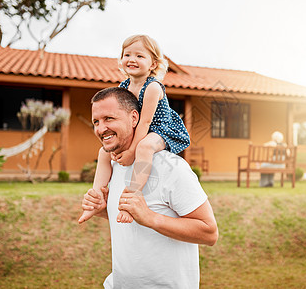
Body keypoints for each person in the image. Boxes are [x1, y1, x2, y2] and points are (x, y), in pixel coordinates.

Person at [81, 87, 218, 288]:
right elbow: (131, 219)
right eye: (96, 122)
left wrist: (151, 218)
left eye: (109, 118)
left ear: (134, 118)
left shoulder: (170, 167)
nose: (101, 129)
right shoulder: (113, 166)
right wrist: (104, 209)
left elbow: (209, 233)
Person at [78, 35, 190, 224]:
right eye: (127, 54)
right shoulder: (123, 87)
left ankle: (132, 198)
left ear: (153, 64)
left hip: (161, 130)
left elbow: (145, 122)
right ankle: (95, 200)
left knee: (144, 148)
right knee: (104, 152)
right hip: (139, 129)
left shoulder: (153, 87)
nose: (132, 59)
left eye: (139, 56)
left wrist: (131, 151)